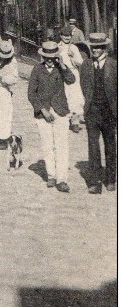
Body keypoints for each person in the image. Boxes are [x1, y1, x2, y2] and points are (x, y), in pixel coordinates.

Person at [28, 41, 75, 193]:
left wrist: (62, 65)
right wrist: (42, 110)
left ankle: (62, 179)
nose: (49, 59)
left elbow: (71, 80)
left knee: (61, 146)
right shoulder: (37, 69)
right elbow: (31, 93)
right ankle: (52, 175)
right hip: (43, 113)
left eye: (52, 56)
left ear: (56, 56)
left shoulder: (61, 69)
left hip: (60, 111)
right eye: (46, 56)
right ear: (42, 56)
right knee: (47, 145)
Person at [80, 33, 117, 194]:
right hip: (92, 112)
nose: (95, 50)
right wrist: (89, 104)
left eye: (98, 47)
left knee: (110, 145)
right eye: (93, 47)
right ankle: (94, 182)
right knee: (93, 146)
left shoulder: (114, 65)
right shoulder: (86, 65)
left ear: (104, 48)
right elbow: (84, 86)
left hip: (109, 112)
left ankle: (110, 179)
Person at [58, 25, 84, 132]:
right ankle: (64, 121)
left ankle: (75, 122)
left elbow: (80, 62)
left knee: (76, 98)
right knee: (64, 97)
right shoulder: (57, 47)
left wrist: (73, 56)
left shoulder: (74, 48)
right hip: (61, 74)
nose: (67, 38)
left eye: (68, 36)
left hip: (73, 74)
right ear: (61, 36)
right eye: (65, 36)